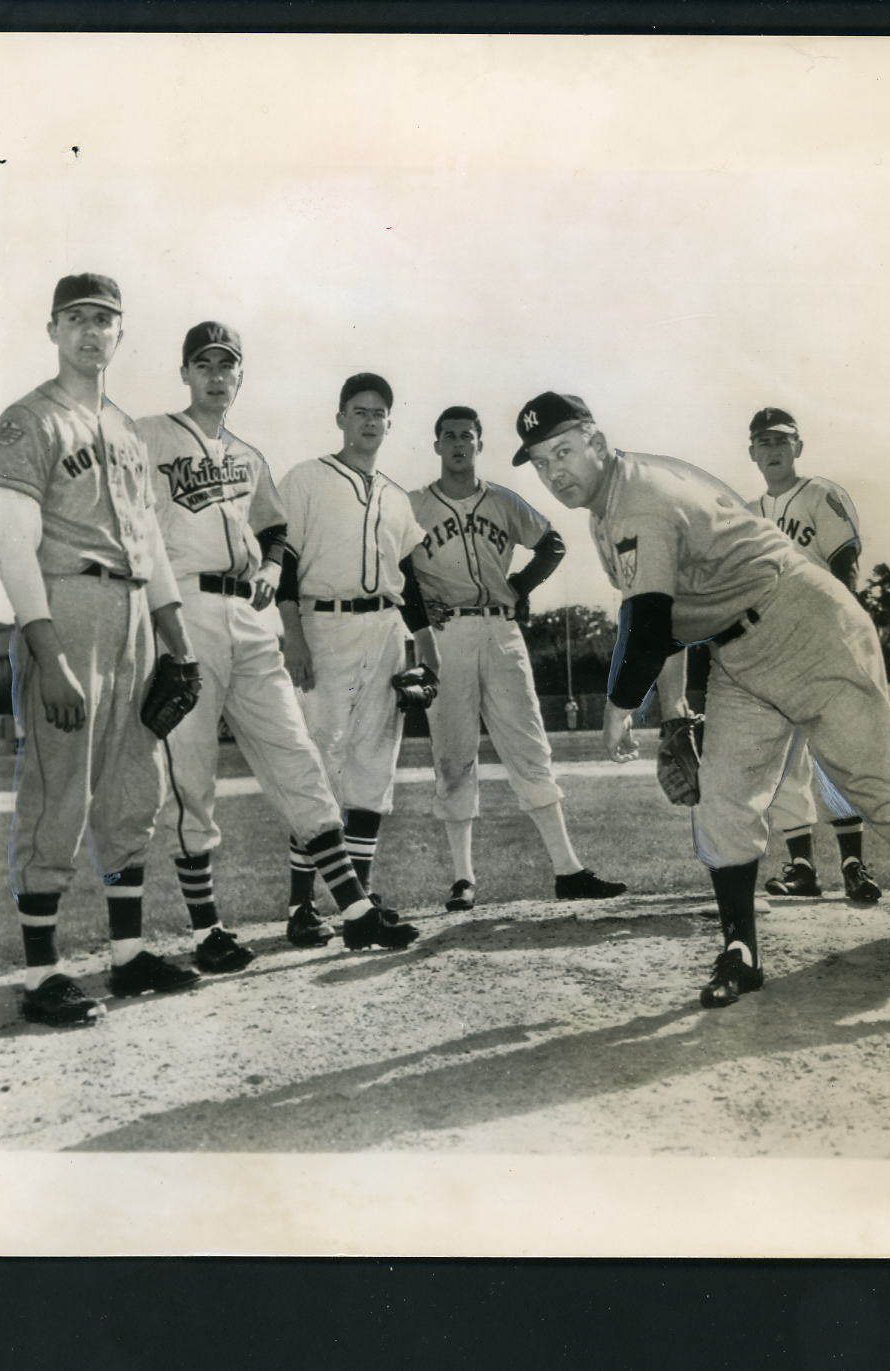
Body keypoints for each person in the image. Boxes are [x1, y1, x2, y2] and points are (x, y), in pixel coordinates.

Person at [511, 391, 890, 1015]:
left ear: (596, 442)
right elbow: (667, 613)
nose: (556, 473)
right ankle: (742, 950)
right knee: (725, 799)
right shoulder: (609, 506)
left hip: (807, 624)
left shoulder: (640, 498)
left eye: (565, 451)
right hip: (740, 653)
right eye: (543, 463)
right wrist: (676, 711)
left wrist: (617, 708)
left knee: (881, 788)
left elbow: (648, 626)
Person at [138, 323, 410, 963]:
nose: (214, 374)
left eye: (226, 365)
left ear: (239, 377)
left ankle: (356, 910)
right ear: (184, 373)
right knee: (193, 773)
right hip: (187, 606)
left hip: (251, 615)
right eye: (202, 363)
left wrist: (267, 570)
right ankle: (206, 930)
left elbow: (277, 534)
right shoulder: (148, 436)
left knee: (297, 757)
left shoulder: (250, 456)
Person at [0, 273, 202, 1026]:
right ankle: (42, 972)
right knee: (59, 787)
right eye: (77, 318)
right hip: (67, 603)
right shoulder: (27, 420)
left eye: (105, 319)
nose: (91, 331)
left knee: (130, 786)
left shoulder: (126, 431)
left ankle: (125, 956)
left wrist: (177, 644)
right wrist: (47, 655)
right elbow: (13, 548)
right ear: (52, 328)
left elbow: (149, 542)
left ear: (121, 333)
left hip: (134, 610)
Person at [407, 405, 627, 911]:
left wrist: (520, 586)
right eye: (449, 436)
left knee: (529, 746)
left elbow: (551, 543)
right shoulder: (414, 506)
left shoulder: (503, 501)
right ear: (437, 445)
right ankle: (462, 878)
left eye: (468, 435)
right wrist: (419, 607)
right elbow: (394, 564)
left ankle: (568, 869)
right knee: (453, 755)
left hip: (501, 631)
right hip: (446, 636)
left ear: (479, 445)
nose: (459, 443)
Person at [276, 373, 439, 929]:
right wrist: (292, 633)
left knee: (374, 764)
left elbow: (410, 578)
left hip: (386, 629)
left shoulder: (396, 495)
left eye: (379, 413)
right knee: (316, 765)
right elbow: (287, 561)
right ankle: (302, 905)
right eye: (360, 411)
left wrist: (424, 645)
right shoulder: (306, 479)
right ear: (341, 417)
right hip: (322, 626)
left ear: (390, 422)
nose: (370, 421)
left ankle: (359, 905)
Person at [745, 407, 882, 904]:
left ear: (798, 447)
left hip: (823, 637)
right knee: (784, 764)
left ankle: (853, 864)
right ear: (752, 453)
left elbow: (846, 563)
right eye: (764, 441)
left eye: (782, 440)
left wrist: (841, 631)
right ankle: (801, 865)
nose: (773, 449)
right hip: (772, 650)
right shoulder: (746, 512)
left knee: (833, 756)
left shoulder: (822, 493)